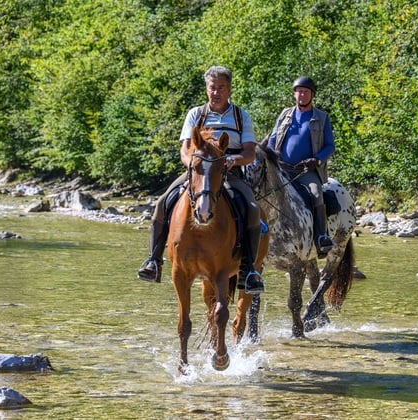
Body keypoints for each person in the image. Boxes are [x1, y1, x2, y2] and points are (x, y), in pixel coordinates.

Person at [137, 66, 265, 294]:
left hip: (229, 173)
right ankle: (154, 260)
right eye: (212, 88)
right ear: (207, 89)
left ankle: (248, 269)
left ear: (229, 89)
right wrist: (194, 165)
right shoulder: (195, 114)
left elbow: (250, 153)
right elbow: (185, 149)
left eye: (221, 88)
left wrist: (232, 160)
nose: (216, 92)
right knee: (162, 203)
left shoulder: (240, 116)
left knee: (252, 208)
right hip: (197, 172)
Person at [267, 76, 335, 257]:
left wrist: (317, 159)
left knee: (316, 193)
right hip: (282, 169)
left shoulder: (321, 117)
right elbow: (273, 138)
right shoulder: (285, 115)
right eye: (299, 91)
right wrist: (269, 155)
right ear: (294, 94)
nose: (302, 95)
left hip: (306, 171)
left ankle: (322, 236)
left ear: (312, 95)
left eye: (306, 92)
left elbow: (330, 145)